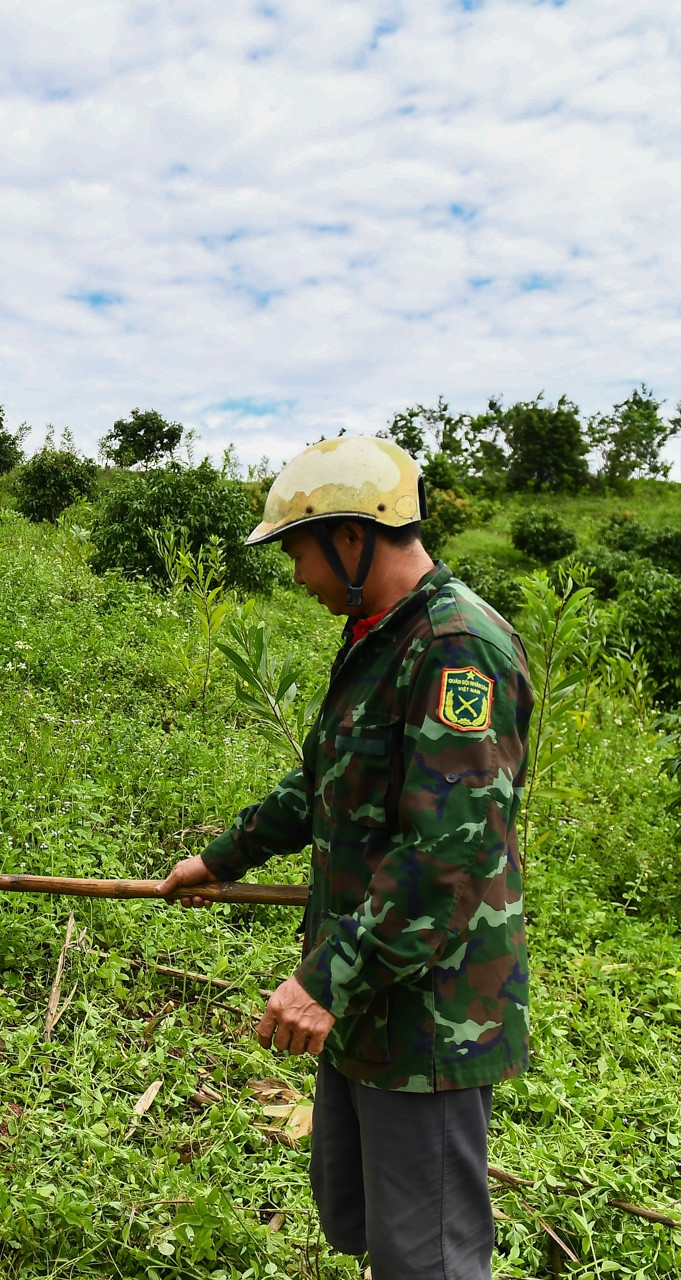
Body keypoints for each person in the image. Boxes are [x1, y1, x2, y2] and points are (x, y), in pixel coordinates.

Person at [158, 436, 531, 1279]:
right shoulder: (381, 637)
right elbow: (326, 780)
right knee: (368, 1222)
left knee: (427, 1256)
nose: (299, 576)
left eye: (299, 551)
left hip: (429, 1012)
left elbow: (448, 854)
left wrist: (324, 982)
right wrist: (224, 858)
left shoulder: (455, 648)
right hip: (371, 991)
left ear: (352, 537)